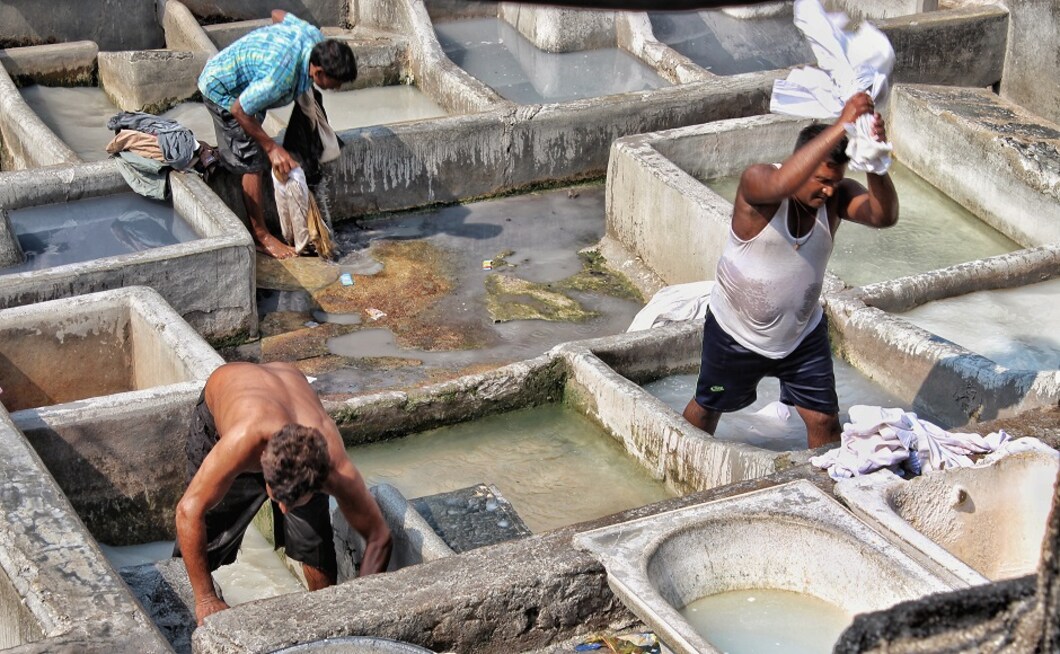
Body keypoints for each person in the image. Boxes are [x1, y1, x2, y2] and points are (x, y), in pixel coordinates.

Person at [682, 92, 898, 449]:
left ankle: (826, 488)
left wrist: (876, 162)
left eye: (834, 180)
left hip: (801, 337)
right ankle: (682, 461)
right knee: (709, 404)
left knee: (824, 419)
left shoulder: (836, 197)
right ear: (799, 163)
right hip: (734, 335)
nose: (828, 190)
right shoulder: (759, 182)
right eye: (820, 180)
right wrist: (843, 123)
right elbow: (782, 185)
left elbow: (883, 215)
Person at [175, 362, 392, 625]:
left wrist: (356, 603)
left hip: (288, 387)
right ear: (264, 475)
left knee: (314, 537)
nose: (284, 510)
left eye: (293, 503)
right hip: (229, 391)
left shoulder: (333, 463)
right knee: (208, 534)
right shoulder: (241, 441)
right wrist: (206, 599)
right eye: (280, 501)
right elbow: (188, 511)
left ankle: (323, 615)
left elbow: (379, 537)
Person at [198, 10, 356, 259]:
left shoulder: (313, 37)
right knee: (253, 160)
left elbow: (277, 14)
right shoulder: (279, 79)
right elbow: (239, 109)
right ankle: (261, 237)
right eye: (335, 83)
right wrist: (272, 148)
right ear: (318, 72)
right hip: (224, 90)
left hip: (251, 86)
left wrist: (265, 47)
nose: (337, 88)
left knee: (281, 136)